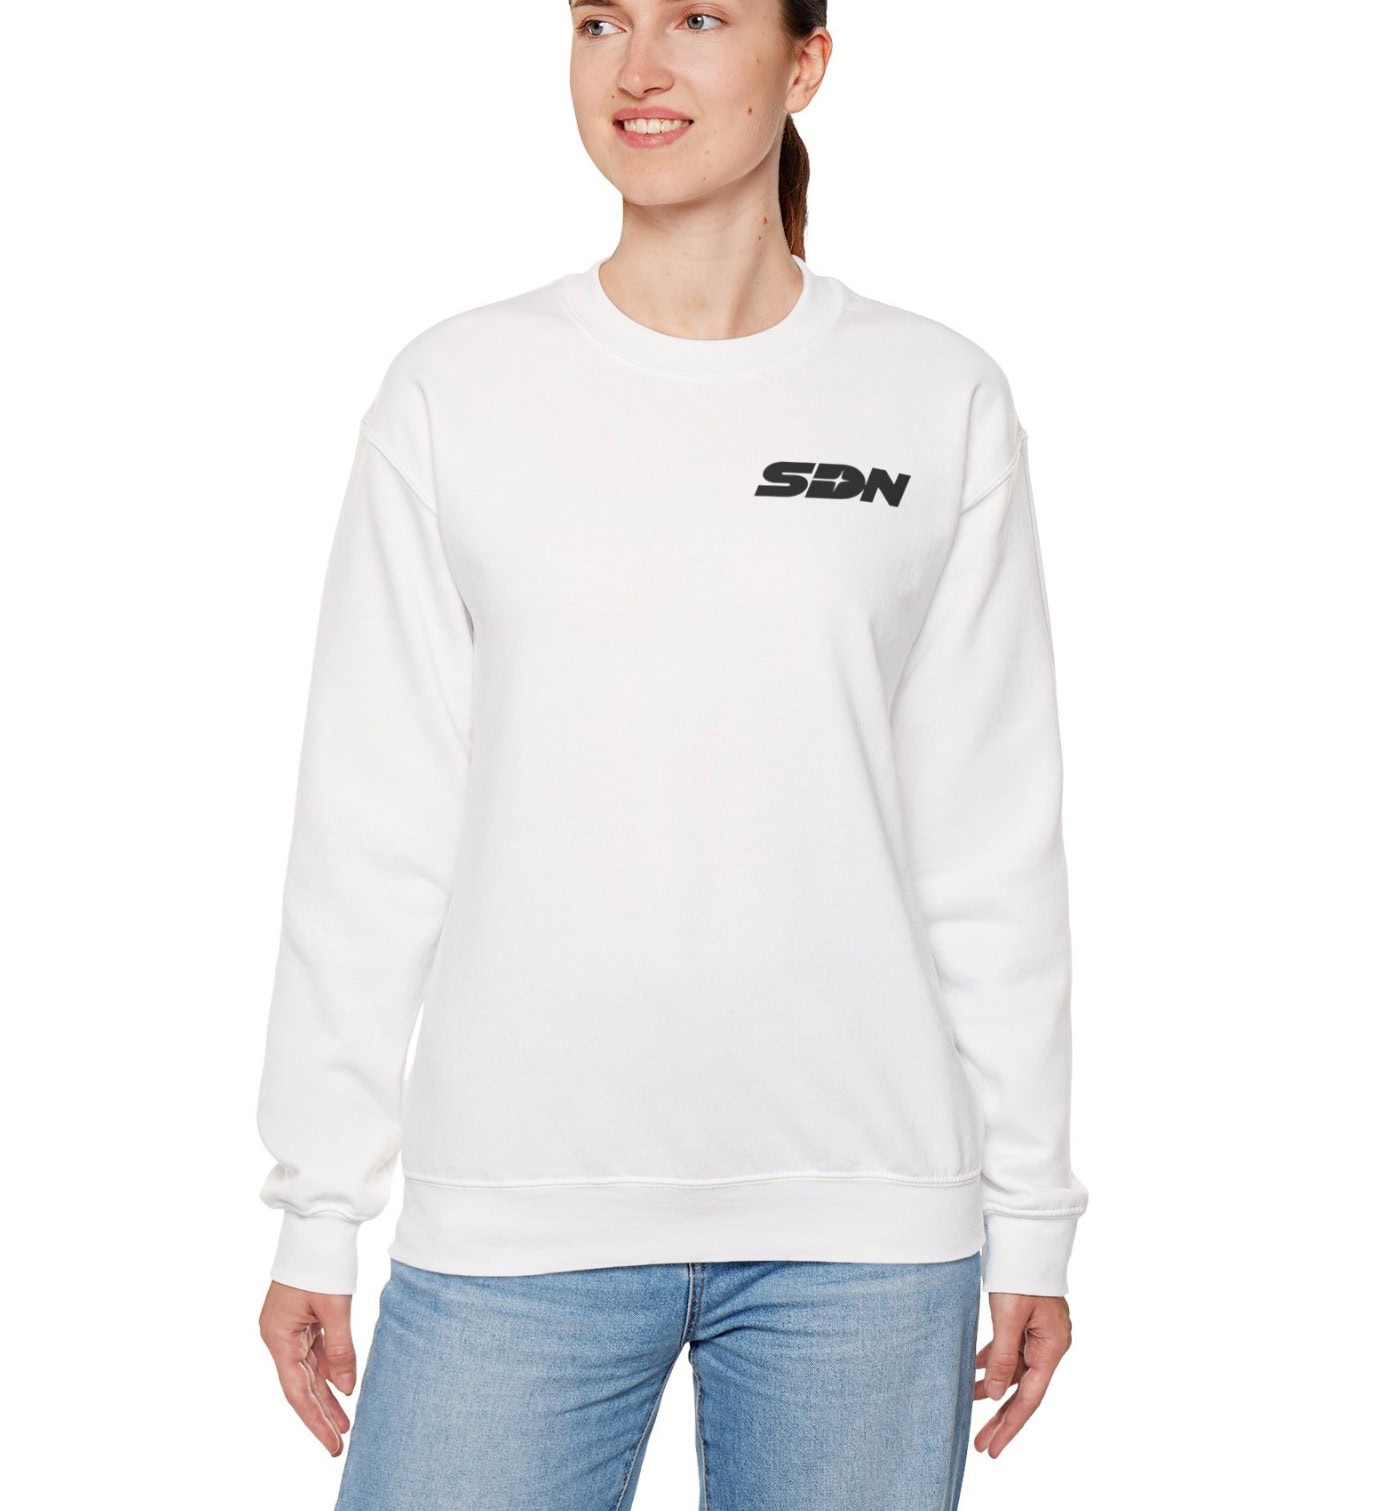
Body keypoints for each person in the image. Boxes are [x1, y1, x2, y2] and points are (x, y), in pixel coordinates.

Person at [255, 2, 1089, 1505]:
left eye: (698, 17)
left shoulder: (933, 396)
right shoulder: (457, 390)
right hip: (518, 1213)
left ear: (805, 61)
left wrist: (1033, 1210)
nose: (637, 67)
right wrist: (320, 1200)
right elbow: (373, 826)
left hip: (863, 1224)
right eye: (600, 22)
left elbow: (988, 835)